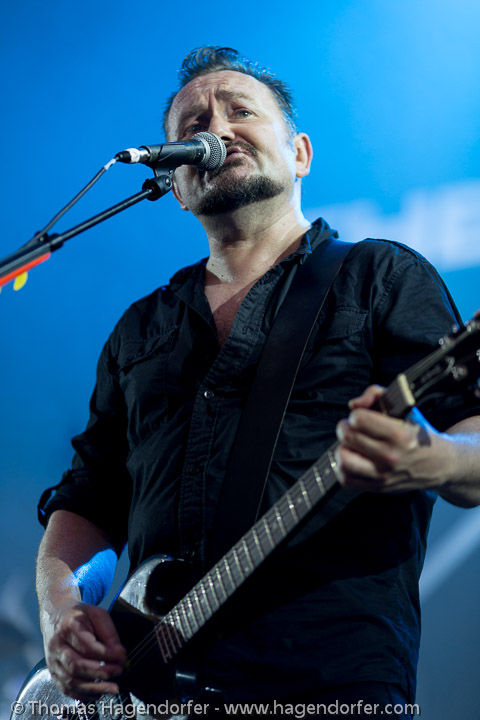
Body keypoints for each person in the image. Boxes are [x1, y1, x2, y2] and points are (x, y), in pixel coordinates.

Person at [35, 47, 480, 717]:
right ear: (176, 184)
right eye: (193, 125)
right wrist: (62, 612)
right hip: (151, 695)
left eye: (241, 111)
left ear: (300, 154)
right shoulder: (141, 329)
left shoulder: (379, 277)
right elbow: (88, 502)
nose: (216, 128)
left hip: (328, 684)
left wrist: (434, 459)